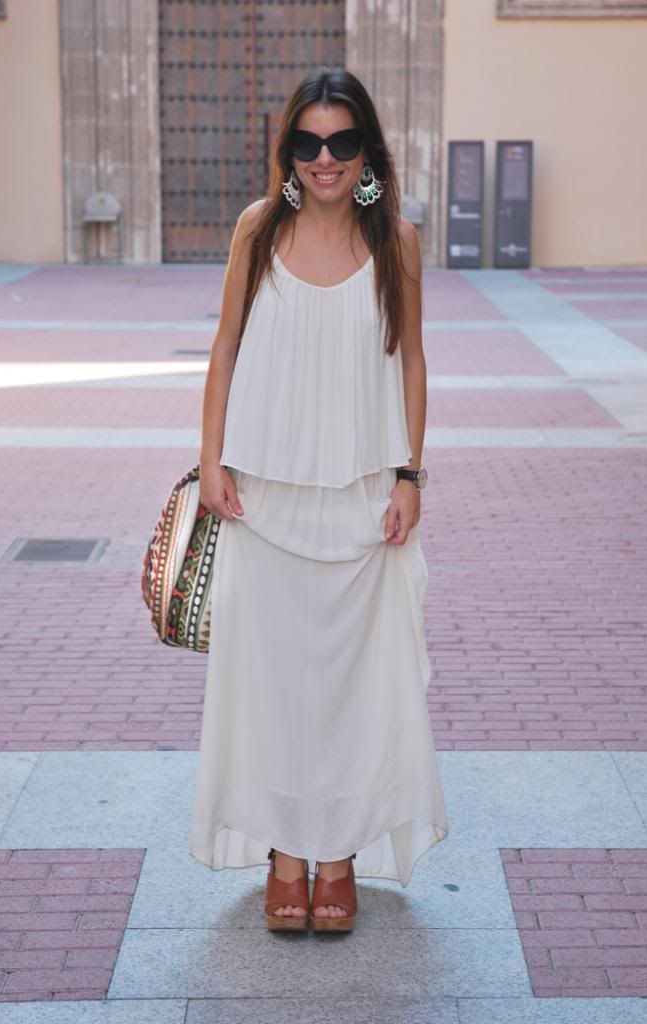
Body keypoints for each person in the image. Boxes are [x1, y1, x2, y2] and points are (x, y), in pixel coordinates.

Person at [189, 67, 448, 933]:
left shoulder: (396, 241)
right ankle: (284, 852)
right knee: (270, 680)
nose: (324, 158)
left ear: (366, 148)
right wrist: (210, 460)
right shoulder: (257, 231)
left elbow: (411, 362)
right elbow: (224, 348)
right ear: (288, 152)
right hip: (262, 500)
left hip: (363, 501)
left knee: (352, 683)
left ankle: (335, 854)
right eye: (308, 142)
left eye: (341, 141)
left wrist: (410, 474)